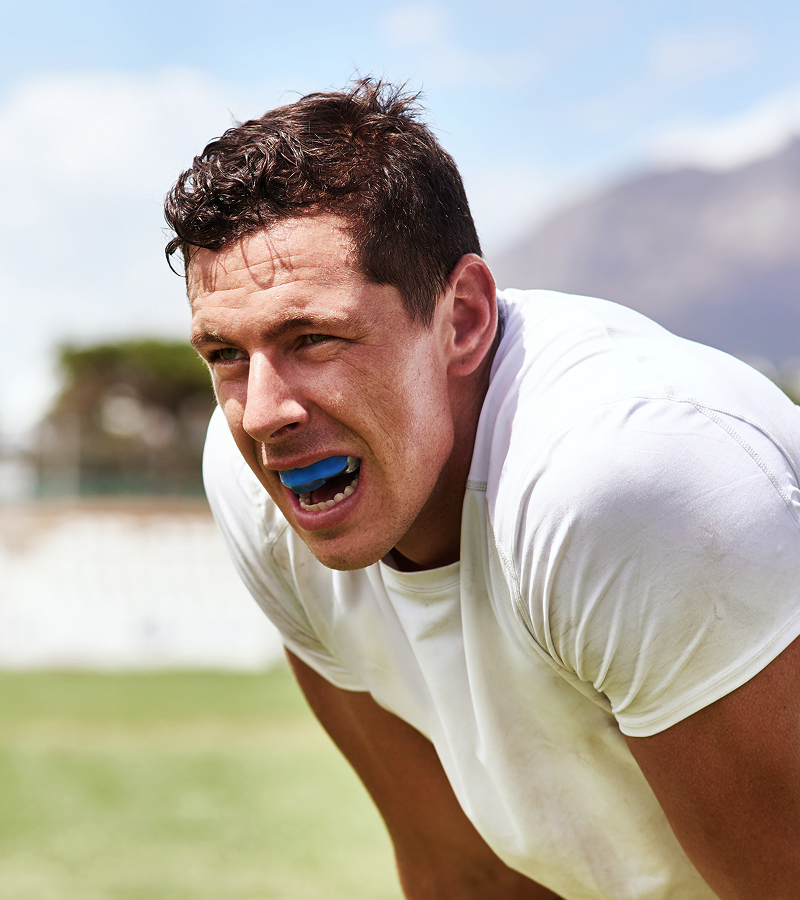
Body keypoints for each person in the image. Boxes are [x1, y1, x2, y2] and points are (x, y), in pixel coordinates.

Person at [164, 79, 800, 900]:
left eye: (313, 337)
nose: (262, 413)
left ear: (462, 318)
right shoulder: (258, 484)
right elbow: (468, 877)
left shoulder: (622, 475)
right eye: (224, 354)